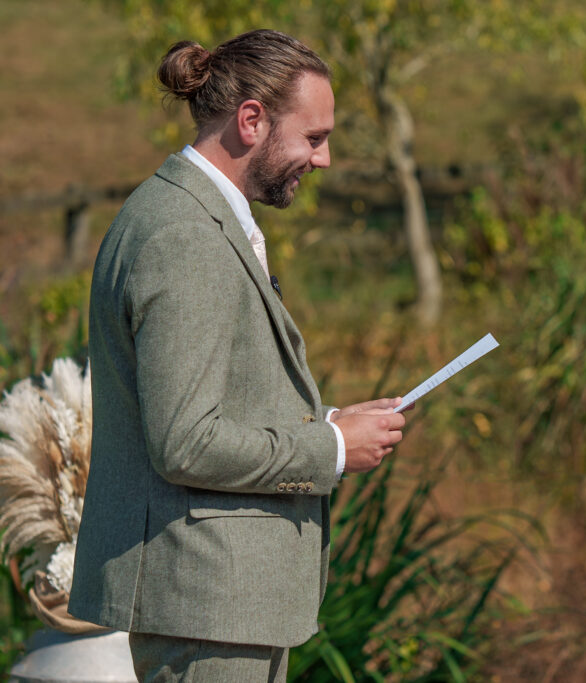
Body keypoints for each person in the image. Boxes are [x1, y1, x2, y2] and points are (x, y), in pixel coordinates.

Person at [68, 29, 409, 682]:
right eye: (314, 137)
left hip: (217, 606)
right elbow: (186, 441)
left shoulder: (189, 215)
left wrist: (328, 419)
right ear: (250, 119)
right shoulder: (183, 234)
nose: (326, 158)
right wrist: (331, 450)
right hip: (203, 601)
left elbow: (211, 399)